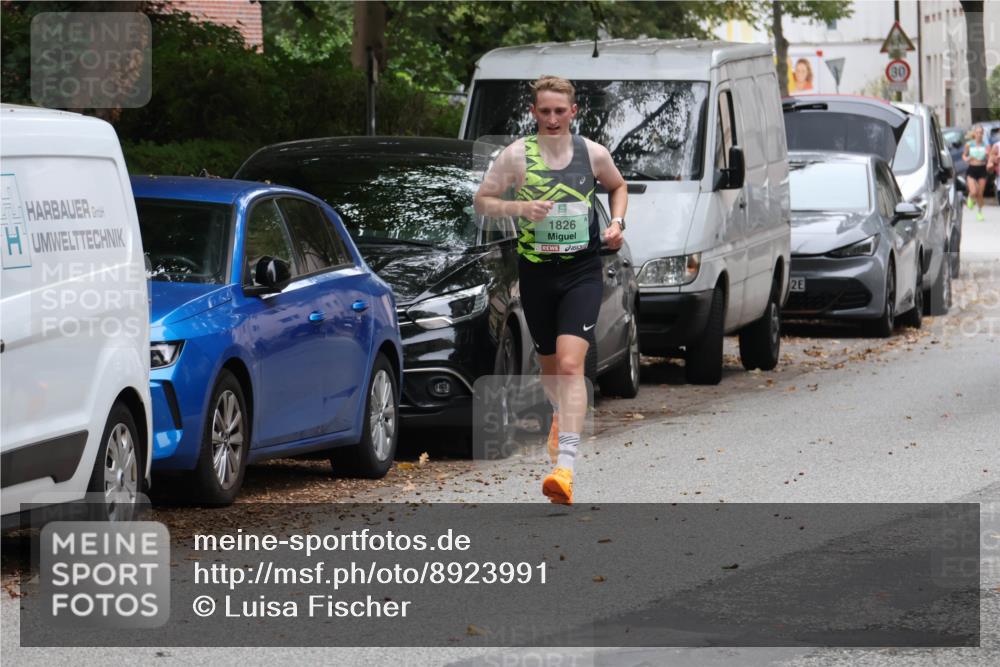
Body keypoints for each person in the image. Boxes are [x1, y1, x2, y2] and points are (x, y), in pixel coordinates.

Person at [474, 75, 628, 505]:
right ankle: (561, 415)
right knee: (549, 369)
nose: (553, 118)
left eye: (561, 111)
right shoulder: (516, 156)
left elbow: (618, 186)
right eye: (545, 111)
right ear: (534, 112)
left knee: (569, 362)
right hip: (537, 274)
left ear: (573, 112)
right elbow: (482, 201)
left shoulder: (592, 154)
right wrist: (520, 207)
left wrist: (617, 224)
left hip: (582, 271)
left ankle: (566, 467)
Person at [962, 124, 989, 221]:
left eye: (981, 133)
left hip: (982, 169)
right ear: (974, 133)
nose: (979, 135)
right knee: (973, 191)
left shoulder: (986, 145)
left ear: (983, 134)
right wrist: (968, 158)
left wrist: (987, 156)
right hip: (972, 169)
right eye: (977, 132)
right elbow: (964, 156)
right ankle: (970, 197)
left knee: (980, 193)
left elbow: (989, 159)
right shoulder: (969, 144)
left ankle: (979, 212)